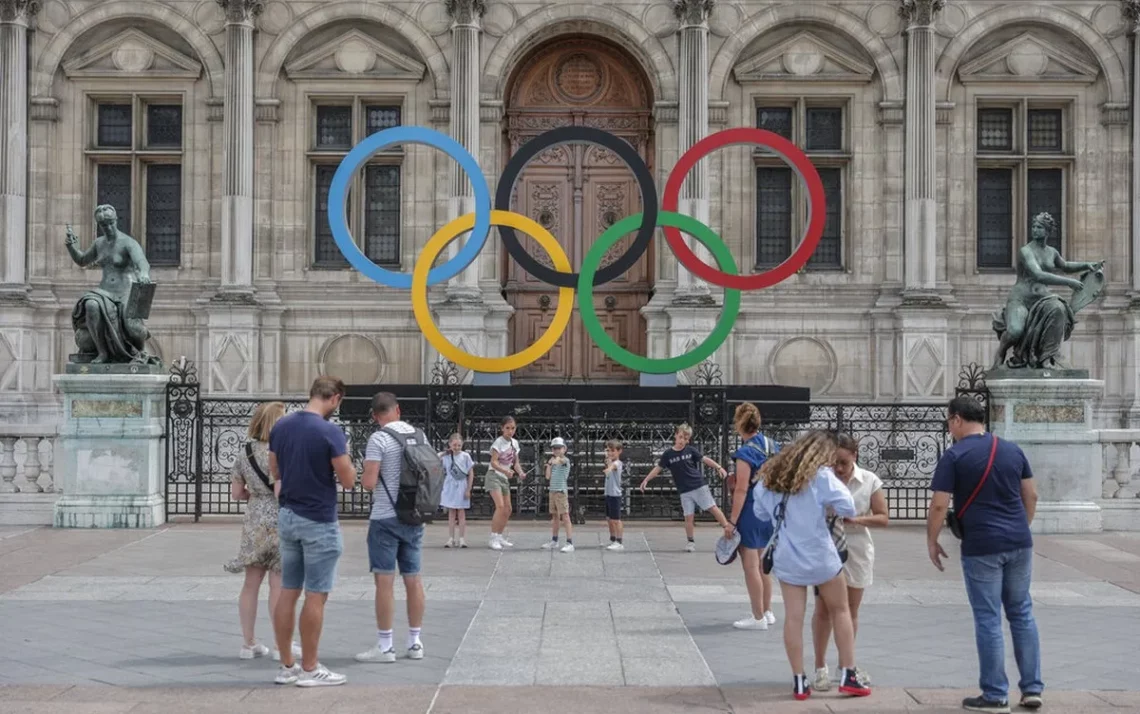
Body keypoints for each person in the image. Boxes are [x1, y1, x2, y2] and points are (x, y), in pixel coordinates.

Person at [928, 397, 1043, 713]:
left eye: (948, 422)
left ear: (956, 420)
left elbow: (939, 504)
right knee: (1021, 612)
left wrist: (932, 541)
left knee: (988, 617)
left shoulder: (954, 455)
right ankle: (1032, 689)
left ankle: (995, 695)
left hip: (982, 546)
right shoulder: (1012, 449)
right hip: (1020, 542)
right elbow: (1030, 494)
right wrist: (1021, 527)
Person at [753, 430, 871, 701]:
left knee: (793, 617)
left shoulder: (768, 481)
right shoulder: (820, 477)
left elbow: (760, 514)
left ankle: (798, 680)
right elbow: (849, 506)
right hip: (820, 556)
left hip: (787, 558)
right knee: (840, 610)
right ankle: (848, 674)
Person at [269, 376, 357, 687]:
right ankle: (310, 668)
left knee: (288, 591)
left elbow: (275, 470)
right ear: (334, 398)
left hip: (288, 515)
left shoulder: (281, 426)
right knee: (316, 595)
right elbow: (348, 480)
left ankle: (286, 665)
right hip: (318, 518)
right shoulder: (330, 431)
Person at [225, 401, 302, 662]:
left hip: (255, 519)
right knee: (278, 584)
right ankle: (282, 644)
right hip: (280, 518)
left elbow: (237, 493)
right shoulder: (283, 451)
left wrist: (254, 494)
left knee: (251, 583)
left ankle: (249, 643)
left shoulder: (244, 452)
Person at [355, 392, 428, 664]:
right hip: (415, 516)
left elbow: (370, 483)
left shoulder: (379, 438)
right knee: (414, 579)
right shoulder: (420, 436)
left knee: (384, 582)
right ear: (398, 409)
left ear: (375, 416)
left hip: (385, 517)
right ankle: (415, 642)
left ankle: (385, 646)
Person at [812, 432, 888, 691]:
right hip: (828, 548)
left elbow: (883, 517)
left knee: (850, 611)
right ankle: (820, 667)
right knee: (823, 609)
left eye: (844, 462)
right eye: (834, 463)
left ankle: (845, 665)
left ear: (854, 456)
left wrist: (856, 519)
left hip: (856, 548)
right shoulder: (823, 479)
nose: (840, 469)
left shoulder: (869, 480)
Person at [64, 205, 160, 365]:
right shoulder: (99, 243)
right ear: (99, 226)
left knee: (130, 326)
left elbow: (142, 262)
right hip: (104, 290)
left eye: (110, 223)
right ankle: (102, 352)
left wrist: (144, 274)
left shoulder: (128, 242)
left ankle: (140, 349)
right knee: (91, 305)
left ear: (116, 220)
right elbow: (82, 260)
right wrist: (71, 246)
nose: (107, 227)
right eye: (103, 224)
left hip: (125, 290)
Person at [724, 403, 778, 631]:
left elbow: (741, 490)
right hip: (770, 510)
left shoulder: (745, 453)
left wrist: (732, 522)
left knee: (751, 566)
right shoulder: (772, 445)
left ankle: (757, 618)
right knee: (763, 565)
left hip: (751, 511)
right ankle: (766, 611)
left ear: (739, 424)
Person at [638, 423, 731, 551]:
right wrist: (646, 479)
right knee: (688, 516)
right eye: (681, 437)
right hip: (684, 490)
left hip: (698, 485)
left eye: (686, 439)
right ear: (676, 435)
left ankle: (728, 530)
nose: (683, 441)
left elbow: (705, 459)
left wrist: (718, 467)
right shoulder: (668, 454)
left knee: (712, 507)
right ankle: (690, 541)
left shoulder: (690, 450)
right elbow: (658, 468)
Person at [486, 416, 526, 550]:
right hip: (494, 476)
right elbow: (494, 462)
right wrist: (505, 470)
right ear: (502, 428)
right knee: (501, 507)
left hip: (504, 478)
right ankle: (493, 538)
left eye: (513, 428)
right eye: (507, 428)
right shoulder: (499, 442)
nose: (510, 431)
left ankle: (499, 536)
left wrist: (520, 473)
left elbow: (516, 463)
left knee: (508, 509)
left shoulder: (515, 443)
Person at [439, 433, 474, 549]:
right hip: (450, 485)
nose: (457, 448)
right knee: (451, 513)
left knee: (461, 513)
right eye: (454, 445)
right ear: (450, 444)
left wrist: (468, 489)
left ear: (462, 445)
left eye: (459, 445)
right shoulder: (447, 456)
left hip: (461, 485)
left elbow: (470, 473)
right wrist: (445, 452)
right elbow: (435, 458)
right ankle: (451, 538)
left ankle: (462, 538)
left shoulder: (465, 456)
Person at [542, 437, 575, 552]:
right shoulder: (553, 462)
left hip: (561, 491)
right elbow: (547, 476)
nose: (556, 450)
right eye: (554, 448)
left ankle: (569, 542)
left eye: (559, 448)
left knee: (565, 516)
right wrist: (549, 465)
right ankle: (554, 540)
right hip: (552, 491)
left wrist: (553, 461)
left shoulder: (565, 460)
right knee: (555, 516)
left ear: (564, 449)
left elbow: (560, 461)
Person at [603, 440, 625, 551]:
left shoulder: (618, 463)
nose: (610, 453)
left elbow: (613, 467)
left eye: (613, 451)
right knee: (609, 518)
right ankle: (613, 538)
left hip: (615, 494)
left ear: (619, 451)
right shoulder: (610, 461)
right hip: (608, 493)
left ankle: (619, 541)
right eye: (608, 450)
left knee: (616, 519)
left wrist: (608, 468)